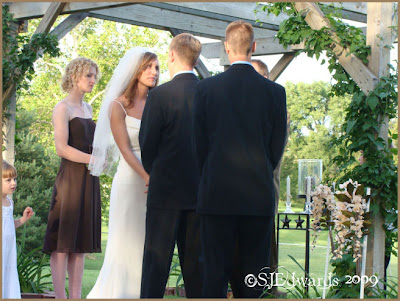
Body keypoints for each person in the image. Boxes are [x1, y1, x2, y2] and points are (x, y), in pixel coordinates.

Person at [193, 20, 287, 298]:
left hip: (216, 195)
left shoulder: (205, 89)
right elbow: (276, 146)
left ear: (226, 47)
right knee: (252, 280)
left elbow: (198, 143)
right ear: (254, 48)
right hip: (257, 196)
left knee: (213, 277)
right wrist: (260, 169)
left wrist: (211, 172)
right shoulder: (274, 92)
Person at [87, 47, 159, 298]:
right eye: (149, 67)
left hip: (155, 181)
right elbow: (126, 150)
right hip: (130, 181)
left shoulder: (156, 102)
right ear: (135, 70)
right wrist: (148, 177)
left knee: (146, 243)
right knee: (126, 240)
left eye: (157, 68)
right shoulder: (118, 105)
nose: (154, 72)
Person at [139, 33, 203, 298]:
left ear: (172, 55)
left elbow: (148, 144)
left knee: (156, 266)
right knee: (198, 269)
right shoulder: (211, 92)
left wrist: (157, 172)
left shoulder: (160, 95)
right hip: (201, 194)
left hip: (164, 192)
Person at [42, 57, 102, 299]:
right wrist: (93, 160)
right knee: (62, 244)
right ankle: (60, 297)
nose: (92, 79)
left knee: (80, 244)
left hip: (89, 181)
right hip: (70, 182)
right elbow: (61, 148)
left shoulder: (88, 109)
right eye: (88, 75)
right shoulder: (62, 108)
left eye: (94, 75)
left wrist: (102, 157)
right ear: (74, 76)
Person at [250, 58, 291, 296]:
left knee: (267, 240)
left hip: (266, 183)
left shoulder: (277, 110)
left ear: (265, 78)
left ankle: (268, 287)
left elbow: (275, 151)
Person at [2, 161, 34, 299]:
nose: (13, 183)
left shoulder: (10, 202)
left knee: (8, 274)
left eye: (14, 179)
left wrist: (22, 219)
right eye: (8, 180)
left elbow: (9, 225)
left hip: (9, 249)